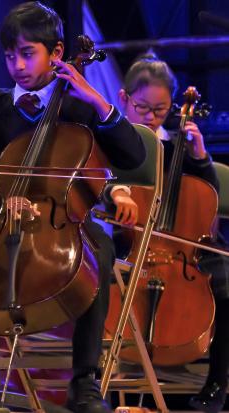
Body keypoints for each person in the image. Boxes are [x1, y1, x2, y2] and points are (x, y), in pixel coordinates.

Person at [0, 2, 146, 413]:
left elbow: (127, 157)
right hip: (1, 223)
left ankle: (85, 384)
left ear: (56, 54)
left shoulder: (78, 107)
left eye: (27, 53)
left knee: (100, 253)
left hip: (68, 222)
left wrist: (96, 101)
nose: (17, 65)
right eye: (9, 56)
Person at [105, 52, 229, 413]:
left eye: (160, 110)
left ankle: (218, 383)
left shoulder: (179, 148)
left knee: (223, 278)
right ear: (125, 99)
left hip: (186, 249)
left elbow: (209, 199)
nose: (151, 117)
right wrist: (118, 193)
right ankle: (107, 386)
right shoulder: (115, 146)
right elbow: (100, 186)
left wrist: (200, 156)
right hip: (131, 245)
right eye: (143, 107)